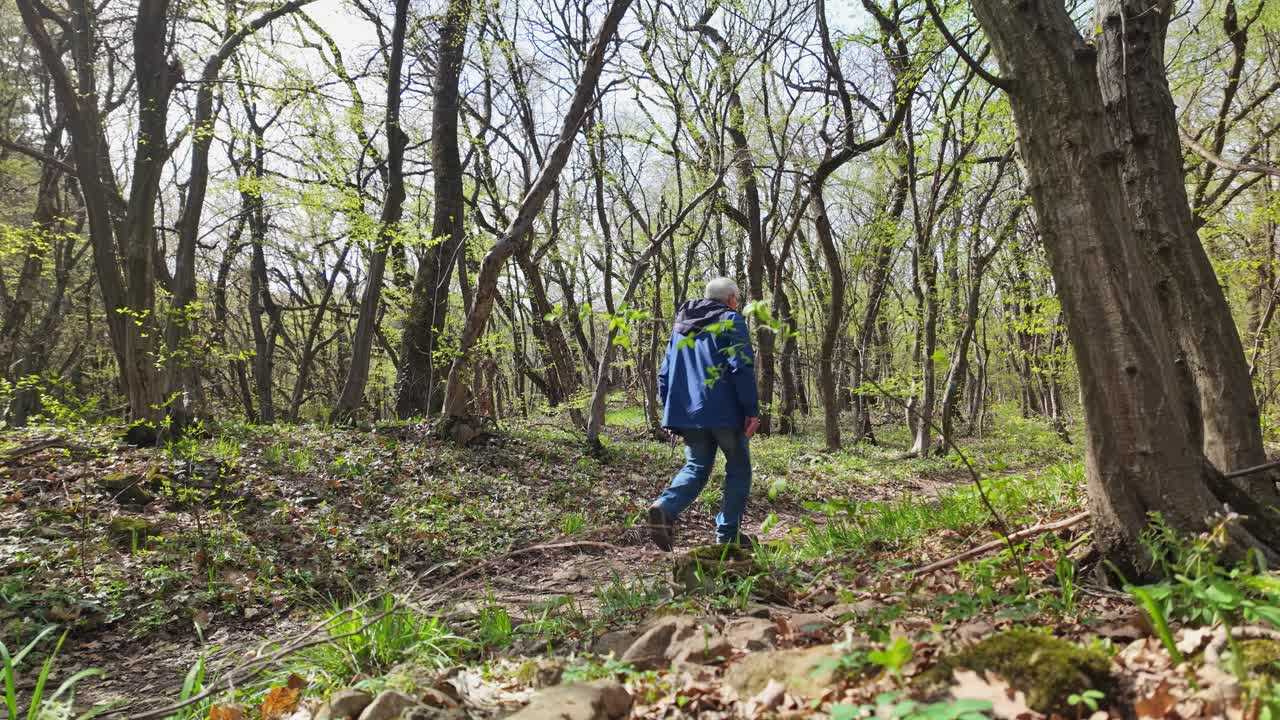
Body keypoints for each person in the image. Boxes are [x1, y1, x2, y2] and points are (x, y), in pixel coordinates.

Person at [647, 277, 759, 551]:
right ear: (731, 299)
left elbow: (665, 372)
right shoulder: (731, 320)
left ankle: (666, 506)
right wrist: (751, 410)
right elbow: (740, 366)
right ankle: (727, 535)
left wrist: (671, 413)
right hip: (725, 411)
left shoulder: (681, 327)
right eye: (737, 299)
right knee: (739, 469)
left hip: (688, 413)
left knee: (696, 467)